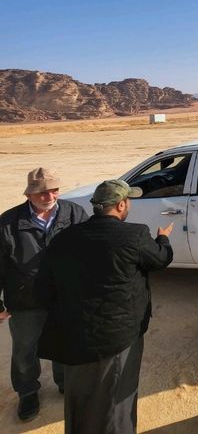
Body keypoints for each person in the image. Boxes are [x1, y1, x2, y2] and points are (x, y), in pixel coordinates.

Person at [37, 179, 174, 434]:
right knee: (116, 402)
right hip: (118, 338)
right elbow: (160, 259)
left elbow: (44, 288)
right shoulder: (134, 234)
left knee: (80, 399)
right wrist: (163, 239)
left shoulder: (64, 238)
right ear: (121, 205)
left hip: (74, 336)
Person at [0, 167, 88, 422]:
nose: (49, 196)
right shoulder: (8, 222)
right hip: (26, 300)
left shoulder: (74, 213)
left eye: (54, 190)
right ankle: (27, 392)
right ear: (29, 194)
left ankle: (64, 383)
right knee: (25, 350)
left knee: (64, 342)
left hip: (65, 297)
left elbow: (87, 252)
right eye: (42, 192)